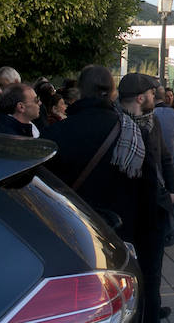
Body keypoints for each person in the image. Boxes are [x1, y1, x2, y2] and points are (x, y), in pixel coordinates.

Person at [42, 66, 147, 248]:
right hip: (119, 231)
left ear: (80, 90)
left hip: (70, 229)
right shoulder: (131, 132)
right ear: (113, 92)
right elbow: (146, 187)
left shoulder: (55, 133)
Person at [117, 73, 174, 323]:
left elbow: (166, 159)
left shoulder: (152, 121)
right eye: (153, 94)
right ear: (141, 97)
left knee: (153, 273)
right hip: (126, 216)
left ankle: (152, 311)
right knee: (129, 274)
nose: (157, 98)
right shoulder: (117, 124)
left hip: (154, 211)